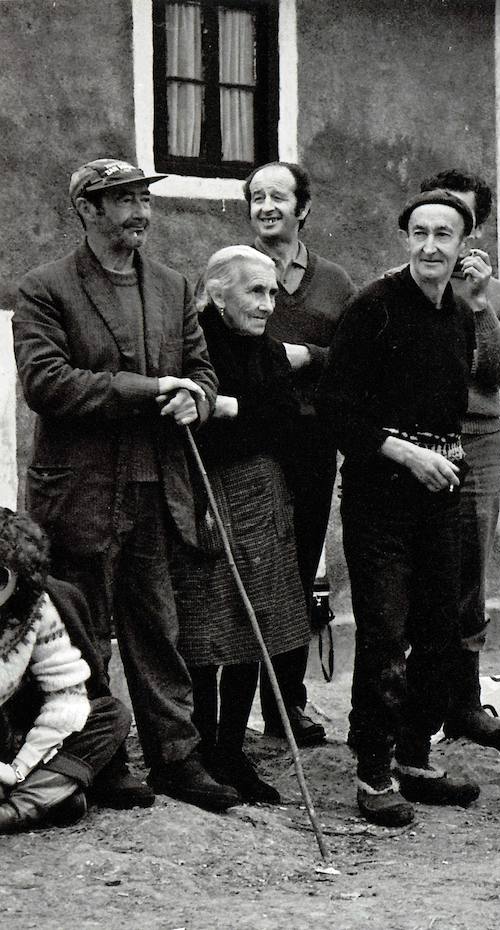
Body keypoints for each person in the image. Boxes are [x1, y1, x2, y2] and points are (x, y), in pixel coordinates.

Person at [14, 158, 236, 812]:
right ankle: (100, 759)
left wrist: (196, 397)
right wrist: (147, 390)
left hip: (155, 487)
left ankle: (176, 758)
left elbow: (202, 372)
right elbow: (46, 384)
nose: (140, 210)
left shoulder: (172, 286)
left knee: (156, 628)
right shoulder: (45, 288)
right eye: (123, 200)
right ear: (87, 208)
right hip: (78, 491)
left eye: (144, 198)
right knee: (85, 632)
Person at [316, 190, 482, 826]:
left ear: (463, 243)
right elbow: (336, 409)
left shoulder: (460, 317)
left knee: (440, 627)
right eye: (419, 233)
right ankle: (374, 771)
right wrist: (405, 454)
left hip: (441, 492)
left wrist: (442, 460)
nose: (431, 246)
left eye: (444, 234)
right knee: (385, 633)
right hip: (379, 494)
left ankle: (416, 756)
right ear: (405, 238)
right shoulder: (373, 309)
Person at [169, 247, 313, 804]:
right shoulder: (194, 345)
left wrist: (233, 409)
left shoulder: (269, 351)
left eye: (274, 293)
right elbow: (198, 425)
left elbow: (286, 422)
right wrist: (233, 411)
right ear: (216, 293)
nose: (267, 304)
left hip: (263, 497)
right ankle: (203, 752)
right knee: (207, 628)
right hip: (206, 492)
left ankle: (234, 750)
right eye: (257, 292)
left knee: (257, 626)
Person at [411, 169, 500, 750]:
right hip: (414, 440)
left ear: (472, 228)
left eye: (457, 214)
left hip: (477, 443)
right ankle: (411, 707)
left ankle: (462, 704)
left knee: (467, 573)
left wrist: (479, 306)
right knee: (412, 570)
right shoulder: (400, 289)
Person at [244, 160, 355, 749]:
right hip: (250, 445)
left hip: (313, 446)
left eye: (278, 197)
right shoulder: (236, 274)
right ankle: (233, 718)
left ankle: (289, 705)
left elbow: (358, 359)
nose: (267, 206)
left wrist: (308, 355)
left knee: (295, 574)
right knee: (251, 571)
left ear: (302, 209)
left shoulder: (335, 282)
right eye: (257, 197)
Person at [0, 510, 133, 833]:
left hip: (11, 747)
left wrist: (18, 769)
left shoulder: (34, 607)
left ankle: (18, 805)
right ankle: (48, 799)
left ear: (20, 577)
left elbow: (66, 695)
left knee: (110, 716)